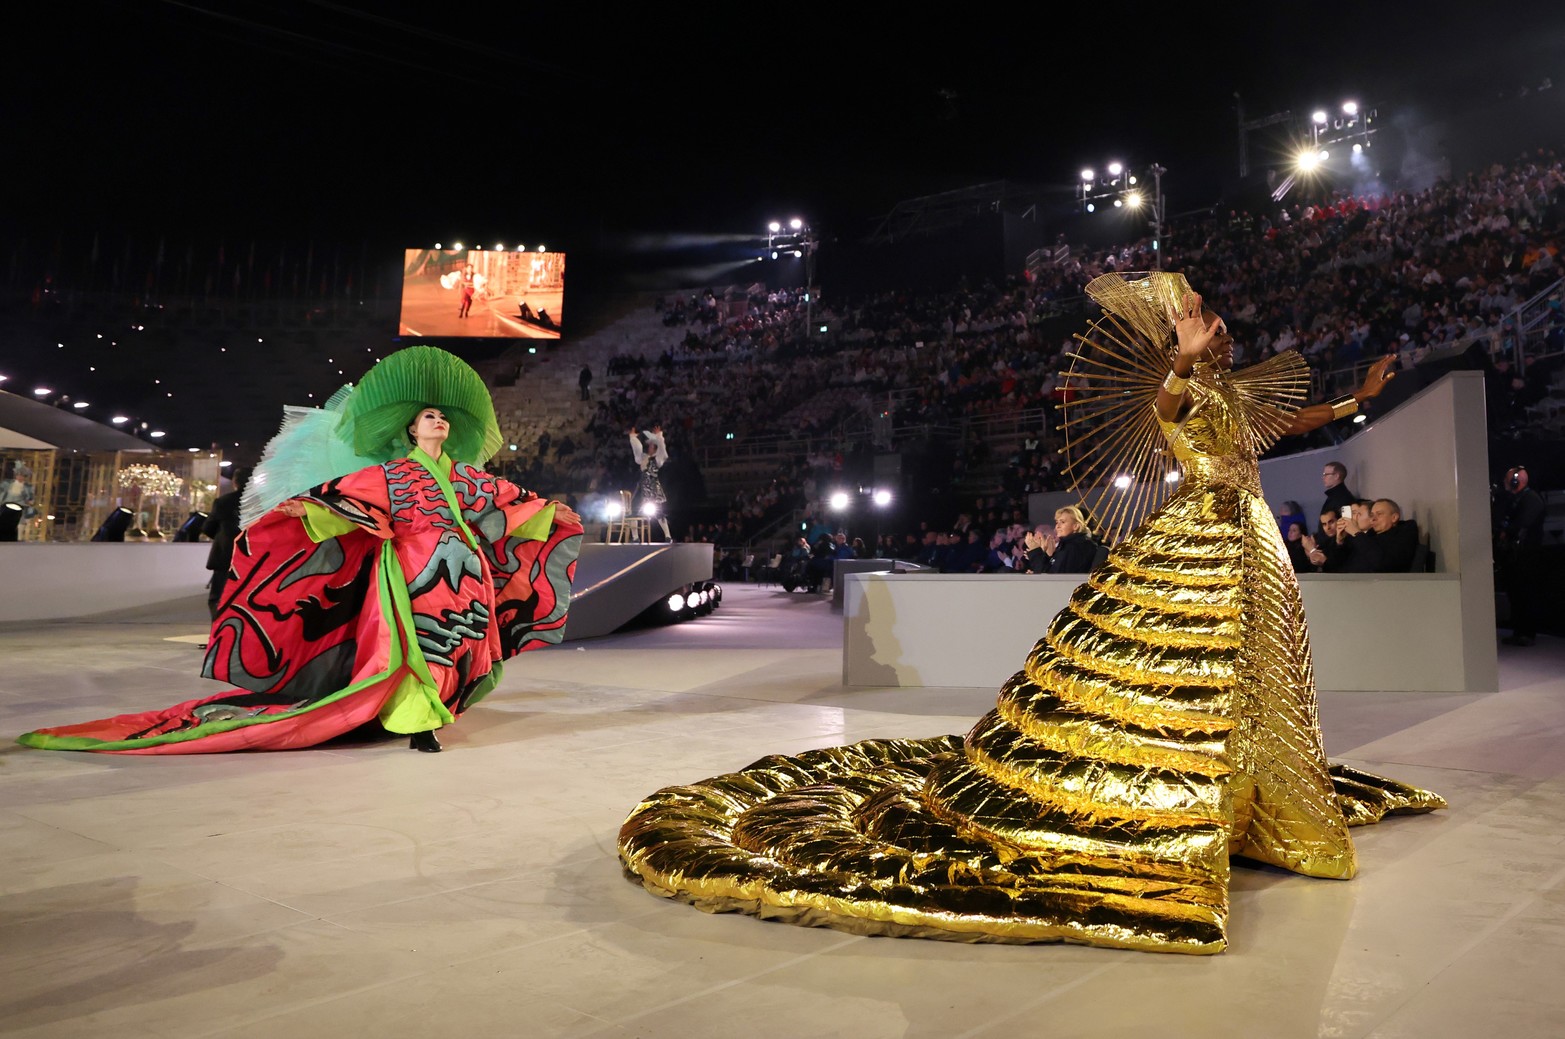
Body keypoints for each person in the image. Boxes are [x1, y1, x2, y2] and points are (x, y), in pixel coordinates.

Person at [618, 272, 1444, 955]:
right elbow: (1163, 414)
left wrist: (1352, 403)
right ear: (1177, 343)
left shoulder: (1233, 388)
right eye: (1193, 321)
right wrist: (1181, 367)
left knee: (1262, 664)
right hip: (1202, 530)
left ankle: (1254, 797)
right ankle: (1188, 799)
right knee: (1187, 666)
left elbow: (1276, 425)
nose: (1208, 322)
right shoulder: (1182, 390)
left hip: (1252, 535)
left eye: (1210, 316)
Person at [19, 346, 584, 755]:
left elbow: (507, 502)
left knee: (456, 643)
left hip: (464, 573)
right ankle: (417, 721)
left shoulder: (462, 476)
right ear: (411, 430)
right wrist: (297, 517)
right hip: (409, 567)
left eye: (442, 416)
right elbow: (339, 500)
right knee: (413, 646)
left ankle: (423, 712)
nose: (439, 420)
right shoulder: (390, 474)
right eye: (429, 416)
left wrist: (548, 515)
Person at [1498, 466, 1546, 645]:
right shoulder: (1516, 500)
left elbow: (1523, 523)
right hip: (1516, 555)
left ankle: (1527, 633)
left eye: (1508, 479)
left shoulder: (1531, 499)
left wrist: (1507, 531)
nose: (1505, 482)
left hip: (1527, 554)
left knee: (1525, 593)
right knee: (1516, 593)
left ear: (1516, 481)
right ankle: (1519, 631)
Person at [202, 467, 250, 621]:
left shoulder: (223, 501)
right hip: (253, 556)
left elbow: (208, 528)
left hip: (226, 555)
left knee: (219, 597)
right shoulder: (261, 503)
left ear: (235, 482)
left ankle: (220, 635)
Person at [628, 425, 671, 541]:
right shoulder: (643, 458)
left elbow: (662, 448)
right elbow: (637, 449)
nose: (650, 447)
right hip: (642, 487)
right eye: (650, 446)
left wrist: (659, 436)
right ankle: (635, 537)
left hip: (653, 487)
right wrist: (633, 437)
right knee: (634, 511)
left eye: (652, 446)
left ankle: (667, 536)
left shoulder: (658, 459)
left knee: (659, 512)